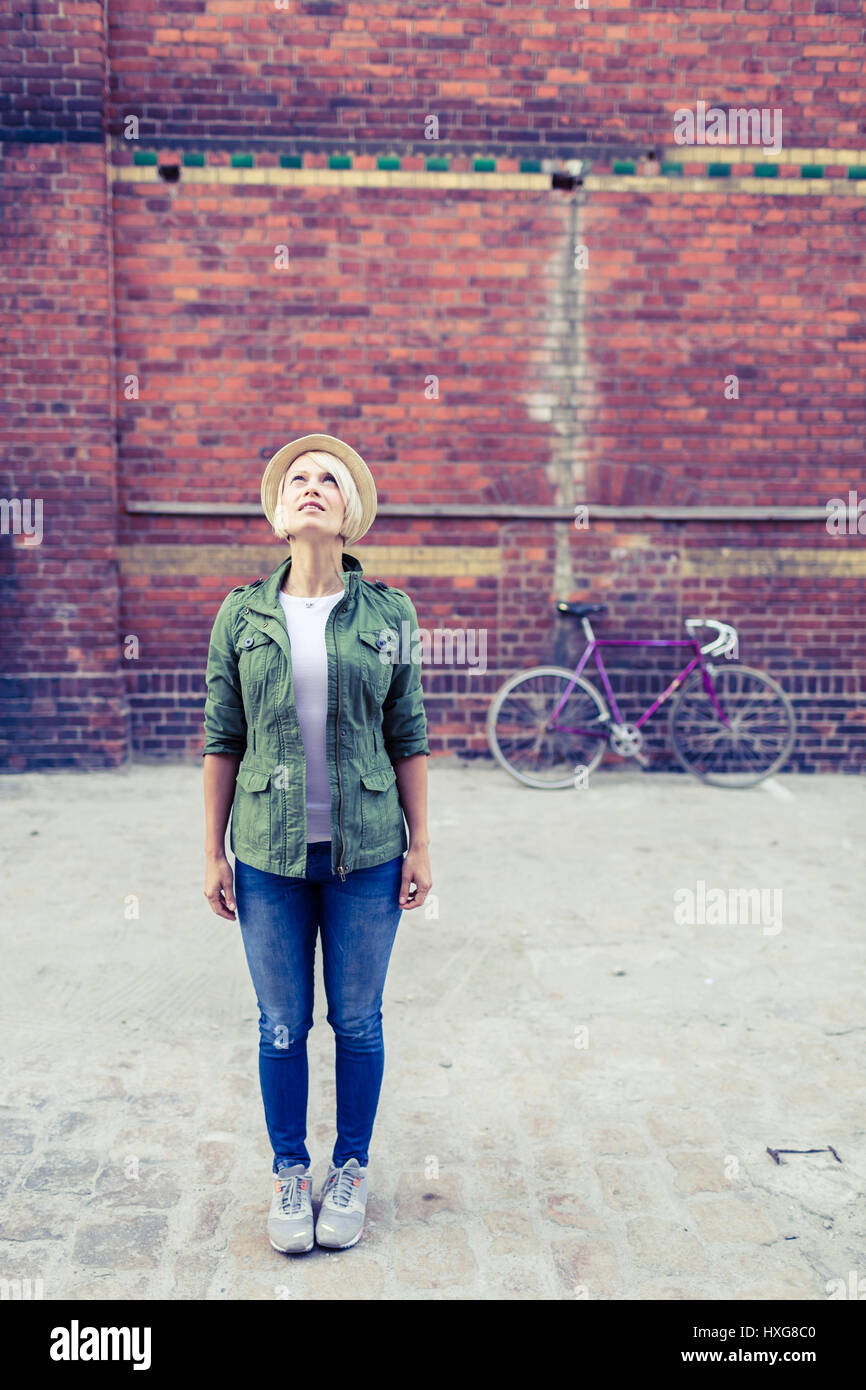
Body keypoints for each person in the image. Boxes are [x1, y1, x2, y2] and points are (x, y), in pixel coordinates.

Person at [201, 433, 432, 1254]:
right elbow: (221, 737)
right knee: (280, 1024)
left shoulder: (390, 614)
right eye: (296, 478)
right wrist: (211, 852)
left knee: (359, 1022)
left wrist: (422, 845)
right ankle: (289, 1172)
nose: (311, 486)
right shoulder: (241, 613)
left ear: (348, 514)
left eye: (327, 479)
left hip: (367, 853)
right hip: (267, 854)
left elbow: (408, 733)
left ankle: (353, 1168)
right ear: (277, 512)